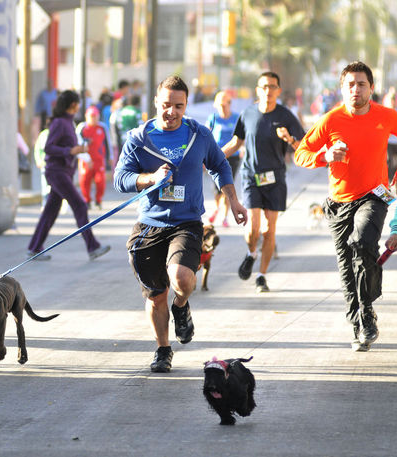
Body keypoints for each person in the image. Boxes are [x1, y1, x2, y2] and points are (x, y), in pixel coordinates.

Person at [114, 75, 248, 373]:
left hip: (186, 222)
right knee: (156, 295)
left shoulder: (199, 135)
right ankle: (163, 350)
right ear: (155, 103)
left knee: (182, 278)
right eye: (166, 105)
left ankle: (181, 306)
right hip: (149, 225)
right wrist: (150, 178)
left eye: (178, 106)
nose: (171, 112)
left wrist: (234, 201)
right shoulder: (139, 138)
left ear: (186, 105)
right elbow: (120, 179)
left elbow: (219, 164)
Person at [295, 61, 397, 352]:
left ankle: (366, 311)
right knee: (346, 268)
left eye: (361, 84)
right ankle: (358, 323)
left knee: (362, 243)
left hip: (374, 196)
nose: (356, 89)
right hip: (339, 203)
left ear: (371, 88)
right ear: (342, 89)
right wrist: (325, 156)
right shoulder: (331, 120)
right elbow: (301, 153)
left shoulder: (386, 116)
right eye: (350, 84)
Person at [222, 71, 304, 293]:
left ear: (278, 90)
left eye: (272, 87)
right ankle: (251, 253)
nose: (268, 91)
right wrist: (213, 157)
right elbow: (236, 142)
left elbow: (303, 146)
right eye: (264, 87)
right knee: (253, 228)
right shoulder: (247, 114)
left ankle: (261, 276)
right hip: (251, 176)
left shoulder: (286, 116)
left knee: (269, 230)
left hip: (275, 178)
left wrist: (289, 139)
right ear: (258, 90)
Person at [27, 90, 111, 261]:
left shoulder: (68, 122)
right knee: (80, 206)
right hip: (57, 172)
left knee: (50, 211)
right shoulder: (59, 122)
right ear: (73, 105)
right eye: (78, 103)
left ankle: (34, 247)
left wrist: (77, 150)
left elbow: (68, 147)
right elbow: (49, 147)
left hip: (62, 171)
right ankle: (93, 247)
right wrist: (70, 150)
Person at [206, 90, 240, 227]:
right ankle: (216, 207)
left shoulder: (236, 118)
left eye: (225, 105)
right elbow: (206, 135)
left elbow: (240, 137)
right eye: (219, 105)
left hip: (233, 157)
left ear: (230, 104)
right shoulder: (213, 118)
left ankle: (225, 216)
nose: (222, 108)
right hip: (216, 156)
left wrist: (243, 149)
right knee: (216, 188)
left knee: (228, 186)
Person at [76, 106, 108, 210]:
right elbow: (76, 141)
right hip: (85, 160)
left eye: (95, 116)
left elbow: (107, 142)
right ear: (87, 117)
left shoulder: (102, 127)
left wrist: (110, 156)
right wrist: (86, 141)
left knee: (100, 181)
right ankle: (87, 200)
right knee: (84, 181)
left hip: (99, 159)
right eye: (91, 116)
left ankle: (98, 200)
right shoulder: (82, 127)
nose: (94, 119)